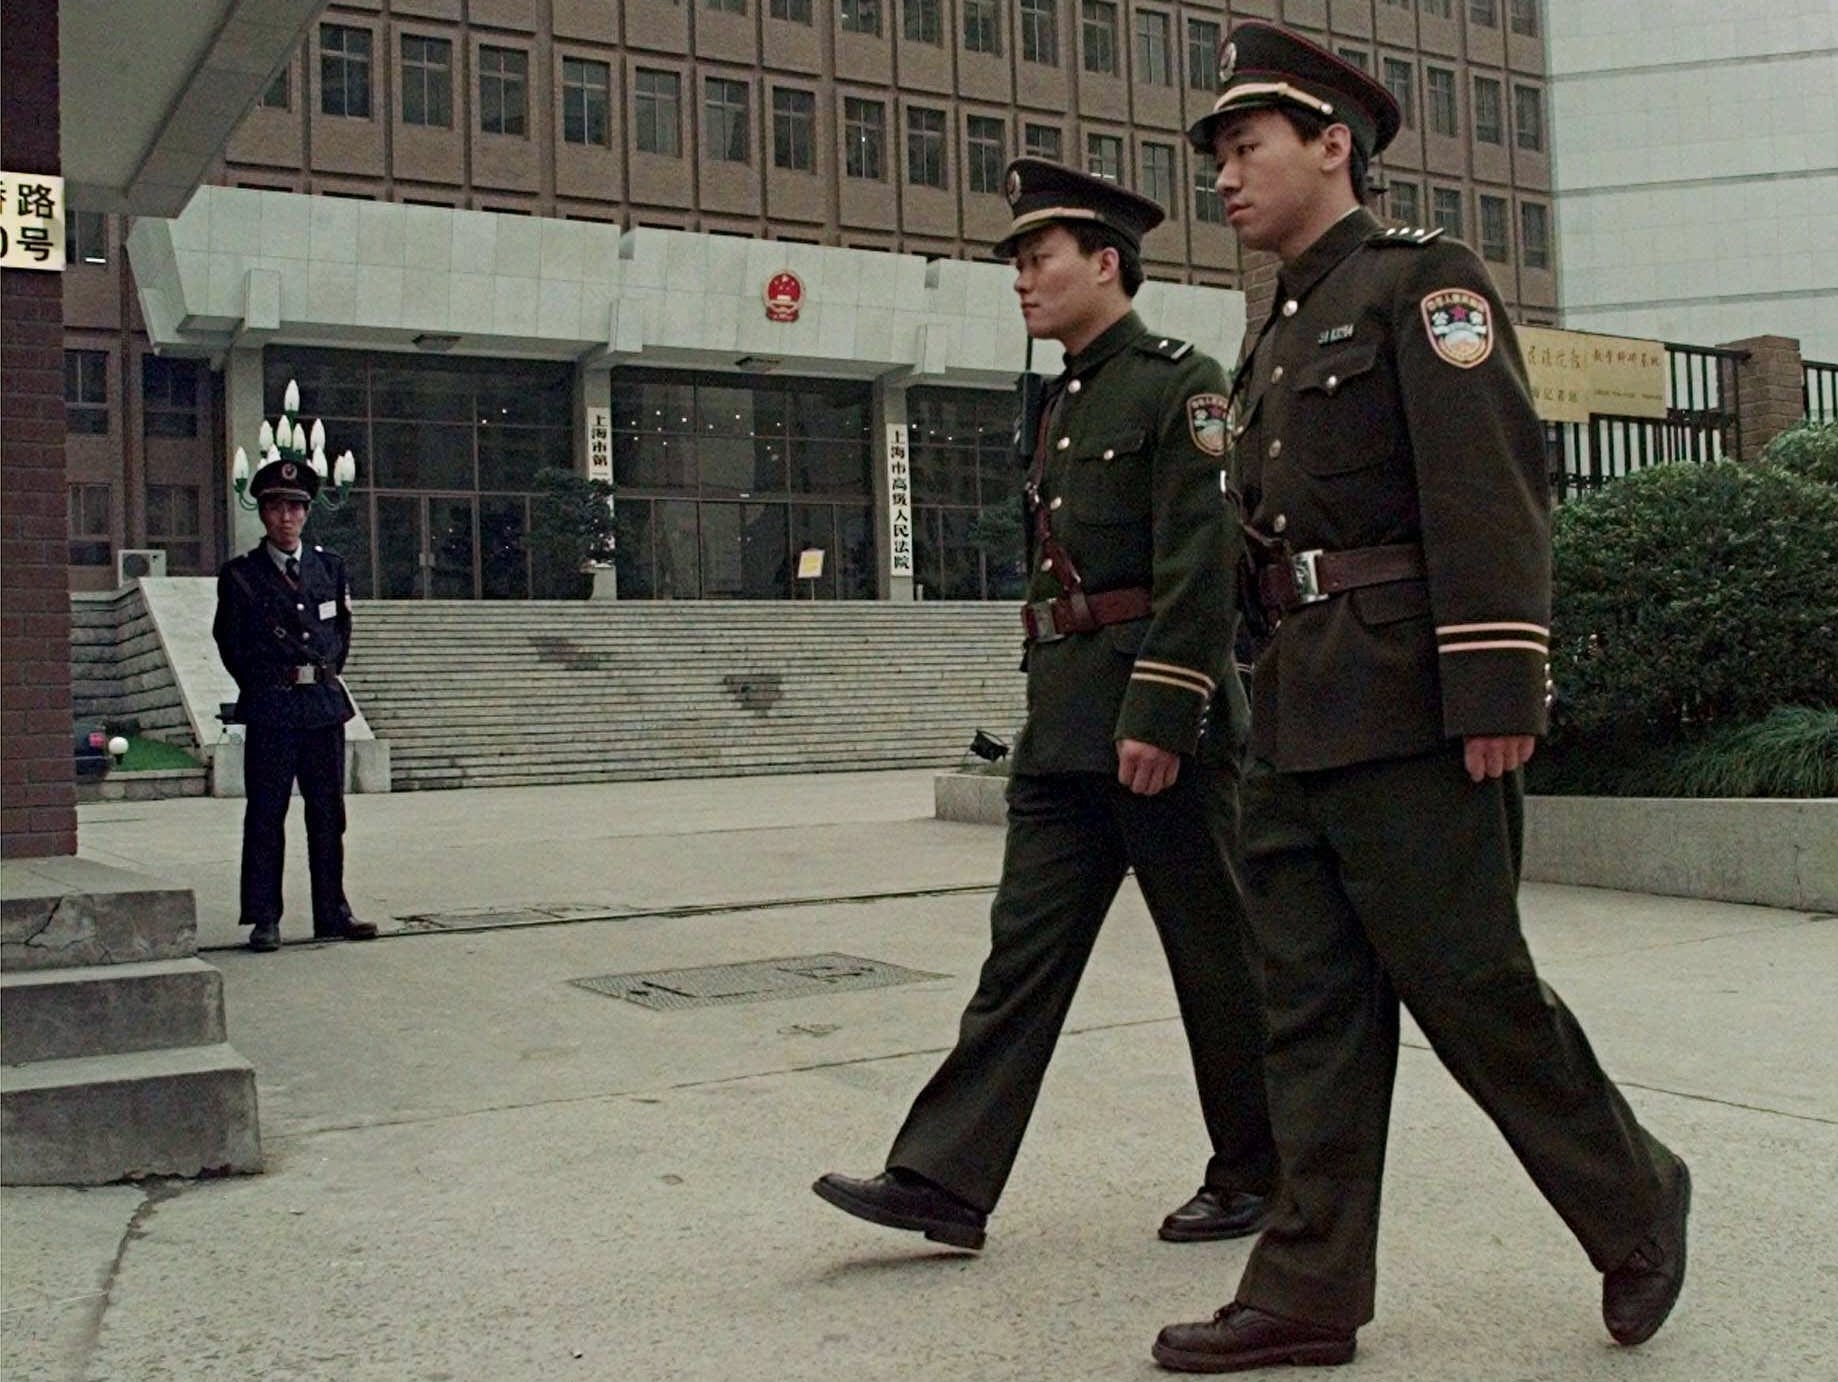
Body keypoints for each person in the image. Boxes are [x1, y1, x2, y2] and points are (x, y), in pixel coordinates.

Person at [1152, 22, 1689, 1372]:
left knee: (1469, 989)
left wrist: (1497, 676)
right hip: (1296, 708)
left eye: (1244, 144)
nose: (1223, 174)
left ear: (1331, 143)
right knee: (1309, 1011)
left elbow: (1489, 485)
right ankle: (1307, 1288)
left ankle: (1635, 1198)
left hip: (1403, 702)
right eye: (1215, 152)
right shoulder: (1272, 327)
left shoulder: (1421, 286)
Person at [814, 159, 1276, 1252]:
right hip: (1066, 728)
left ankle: (1261, 1167)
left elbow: (1199, 563)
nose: (1020, 279)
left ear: (1104, 263)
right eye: (1016, 262)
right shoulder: (1061, 396)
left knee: (1217, 958)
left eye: (1038, 258)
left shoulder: (1179, 380)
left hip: (1161, 728)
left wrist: (1163, 716)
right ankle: (941, 1179)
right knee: (1018, 958)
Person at [213, 457, 376, 953]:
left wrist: (318, 677)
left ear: (307, 514)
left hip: (323, 706)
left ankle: (333, 911)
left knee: (329, 814)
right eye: (276, 508)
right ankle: (265, 916)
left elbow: (340, 635)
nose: (287, 518)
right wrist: (270, 686)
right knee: (267, 814)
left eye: (296, 508)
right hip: (273, 709)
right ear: (263, 513)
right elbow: (230, 643)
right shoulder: (241, 576)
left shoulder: (330, 567)